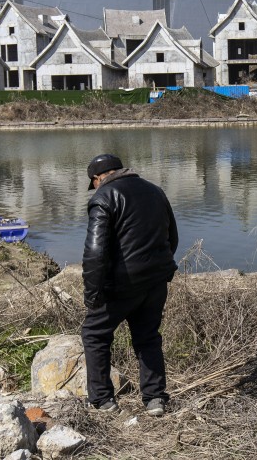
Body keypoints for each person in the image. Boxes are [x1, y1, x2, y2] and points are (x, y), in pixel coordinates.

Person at [81, 153, 179, 417]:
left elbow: (95, 251)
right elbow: (172, 237)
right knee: (147, 337)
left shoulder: (103, 197)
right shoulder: (155, 191)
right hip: (156, 281)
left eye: (95, 182)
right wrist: (158, 269)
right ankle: (155, 399)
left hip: (122, 284)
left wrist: (92, 291)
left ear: (98, 178)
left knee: (94, 334)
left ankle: (103, 401)